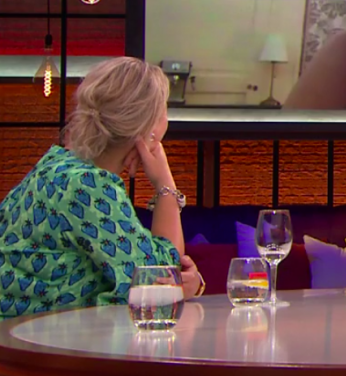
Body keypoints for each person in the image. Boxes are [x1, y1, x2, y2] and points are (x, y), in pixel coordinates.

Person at [0, 57, 205, 317]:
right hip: (34, 339)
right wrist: (165, 184)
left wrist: (185, 285)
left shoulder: (55, 164)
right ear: (150, 128)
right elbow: (157, 282)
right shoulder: (88, 186)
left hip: (28, 334)